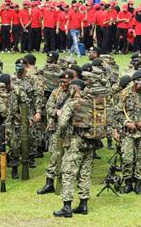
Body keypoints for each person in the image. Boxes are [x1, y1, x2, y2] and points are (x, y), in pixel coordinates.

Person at [53, 79, 100, 217]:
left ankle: (67, 207)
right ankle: (83, 205)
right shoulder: (92, 103)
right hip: (90, 142)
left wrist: (61, 136)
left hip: (75, 142)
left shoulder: (71, 104)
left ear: (75, 88)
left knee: (68, 173)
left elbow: (62, 124)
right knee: (84, 174)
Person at [37, 70, 72, 195]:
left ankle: (65, 182)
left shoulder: (75, 93)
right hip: (56, 128)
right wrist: (55, 112)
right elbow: (48, 107)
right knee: (54, 155)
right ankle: (49, 182)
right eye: (61, 81)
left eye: (65, 81)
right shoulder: (55, 93)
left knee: (68, 155)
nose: (63, 84)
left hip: (70, 130)